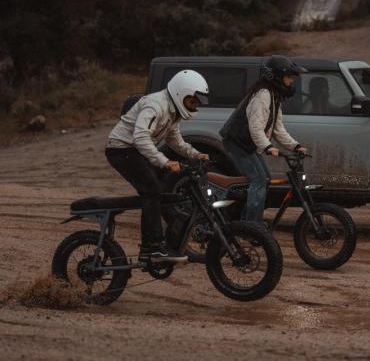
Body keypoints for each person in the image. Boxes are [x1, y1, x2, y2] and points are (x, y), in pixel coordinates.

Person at [105, 70, 210, 262]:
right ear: (180, 93)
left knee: (161, 187)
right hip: (121, 149)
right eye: (193, 101)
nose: (195, 106)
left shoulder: (173, 111)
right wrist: (165, 162)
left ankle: (168, 240)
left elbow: (175, 140)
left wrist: (195, 154)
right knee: (151, 190)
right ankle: (151, 247)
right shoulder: (155, 105)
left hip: (136, 149)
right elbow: (140, 137)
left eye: (196, 103)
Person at [220, 55, 308, 224]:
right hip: (237, 142)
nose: (291, 81)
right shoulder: (263, 95)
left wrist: (295, 146)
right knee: (259, 180)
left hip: (248, 144)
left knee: (265, 179)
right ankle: (252, 225)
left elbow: (277, 128)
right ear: (275, 77)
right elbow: (255, 127)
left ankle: (245, 219)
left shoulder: (274, 96)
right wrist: (267, 147)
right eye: (289, 77)